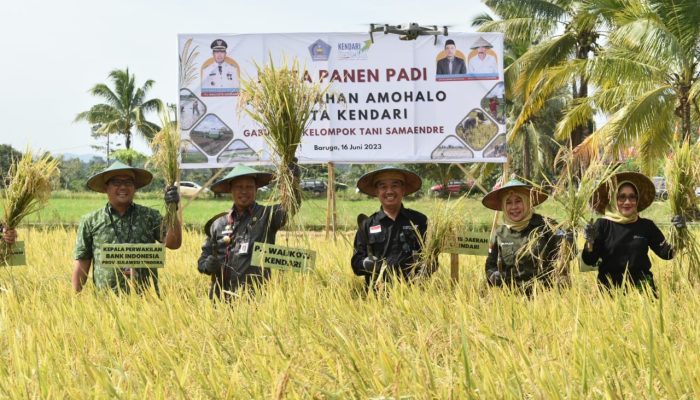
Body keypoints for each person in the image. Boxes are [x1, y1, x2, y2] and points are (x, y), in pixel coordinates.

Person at [72, 161, 182, 294]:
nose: (123, 187)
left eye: (129, 182)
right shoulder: (91, 221)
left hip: (146, 303)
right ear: (106, 187)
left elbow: (174, 243)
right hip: (105, 303)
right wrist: (75, 299)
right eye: (116, 183)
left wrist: (173, 209)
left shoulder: (150, 216)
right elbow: (83, 261)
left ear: (135, 188)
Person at [197, 164, 300, 301]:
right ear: (230, 190)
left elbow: (291, 205)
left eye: (249, 187)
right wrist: (206, 266)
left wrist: (293, 180)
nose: (244, 191)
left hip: (255, 300)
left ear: (256, 189)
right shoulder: (218, 223)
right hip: (220, 300)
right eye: (239, 187)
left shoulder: (267, 216)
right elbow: (203, 259)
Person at [581, 172, 683, 293]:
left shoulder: (646, 226)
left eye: (632, 197)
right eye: (622, 197)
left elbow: (667, 254)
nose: (627, 202)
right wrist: (590, 242)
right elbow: (589, 260)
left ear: (637, 199)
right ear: (613, 199)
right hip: (611, 293)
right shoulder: (602, 225)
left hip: (644, 291)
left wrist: (679, 232)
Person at [483, 179, 566, 293]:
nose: (513, 207)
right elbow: (490, 265)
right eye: (508, 202)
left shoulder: (547, 226)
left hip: (545, 299)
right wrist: (493, 275)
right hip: (511, 299)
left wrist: (569, 237)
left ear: (528, 202)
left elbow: (567, 254)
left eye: (518, 201)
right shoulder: (500, 233)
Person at [351, 167, 430, 287]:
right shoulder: (367, 225)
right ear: (376, 191)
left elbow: (432, 258)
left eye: (395, 185)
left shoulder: (419, 221)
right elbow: (356, 264)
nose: (389, 191)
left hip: (414, 296)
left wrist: (424, 266)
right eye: (383, 187)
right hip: (377, 297)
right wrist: (366, 264)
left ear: (403, 189)